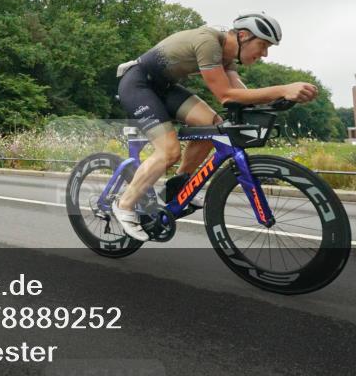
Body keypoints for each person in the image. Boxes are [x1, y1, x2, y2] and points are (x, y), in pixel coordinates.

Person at [112, 13, 318, 241]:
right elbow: (226, 96)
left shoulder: (226, 58)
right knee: (169, 152)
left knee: (213, 127)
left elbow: (244, 96)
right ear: (243, 36)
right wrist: (282, 88)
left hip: (163, 87)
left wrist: (285, 98)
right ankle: (124, 205)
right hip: (138, 84)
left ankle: (179, 186)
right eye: (263, 45)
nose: (264, 54)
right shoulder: (209, 43)